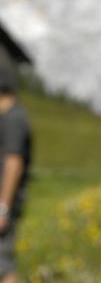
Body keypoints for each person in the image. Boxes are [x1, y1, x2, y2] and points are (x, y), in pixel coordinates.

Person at [0, 63, 32, 283]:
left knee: (3, 263)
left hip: (4, 202)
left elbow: (14, 163)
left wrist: (3, 209)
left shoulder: (13, 119)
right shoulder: (10, 117)